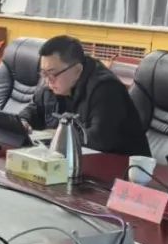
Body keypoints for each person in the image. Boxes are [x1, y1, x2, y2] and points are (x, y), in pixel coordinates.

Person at [19, 35, 150, 156]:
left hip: (121, 166)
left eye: (52, 73)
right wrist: (23, 122)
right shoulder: (51, 83)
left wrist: (57, 134)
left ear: (77, 70)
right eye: (43, 73)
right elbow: (34, 109)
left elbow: (99, 140)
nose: (48, 80)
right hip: (73, 161)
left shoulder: (106, 89)